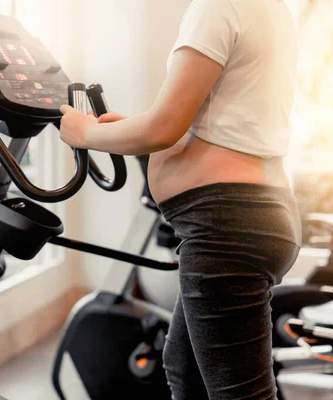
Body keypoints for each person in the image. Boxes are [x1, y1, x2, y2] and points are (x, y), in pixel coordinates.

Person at [59, 0, 301, 398]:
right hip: (249, 214)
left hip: (224, 227)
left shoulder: (218, 7)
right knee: (184, 371)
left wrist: (83, 133)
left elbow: (165, 128)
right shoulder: (268, 8)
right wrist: (133, 130)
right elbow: (221, 123)